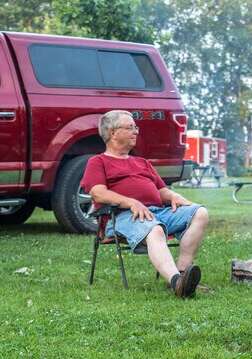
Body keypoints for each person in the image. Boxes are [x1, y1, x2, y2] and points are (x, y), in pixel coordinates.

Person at [81, 110, 209, 298]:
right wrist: (131, 202)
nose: (136, 132)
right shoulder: (98, 162)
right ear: (112, 133)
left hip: (157, 212)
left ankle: (183, 276)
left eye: (135, 127)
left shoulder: (142, 162)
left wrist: (173, 196)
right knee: (155, 229)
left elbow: (161, 190)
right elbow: (98, 193)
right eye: (130, 127)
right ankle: (176, 283)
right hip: (122, 217)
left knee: (200, 212)